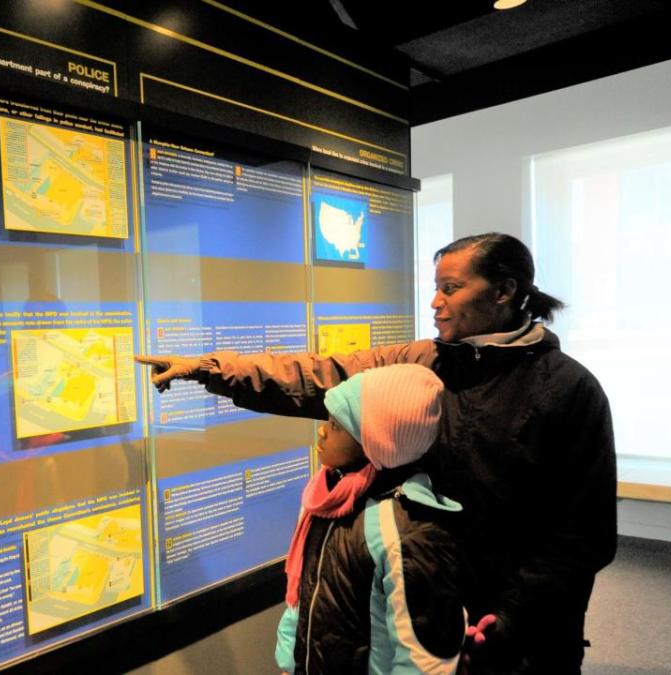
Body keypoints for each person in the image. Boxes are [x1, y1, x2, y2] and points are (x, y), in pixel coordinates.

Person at [138, 233, 617, 673]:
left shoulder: (568, 390)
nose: (435, 302)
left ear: (503, 292)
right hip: (429, 603)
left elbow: (582, 534)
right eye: (436, 287)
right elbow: (319, 374)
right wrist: (211, 369)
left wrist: (511, 618)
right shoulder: (422, 361)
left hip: (522, 632)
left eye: (450, 288)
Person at [275, 364, 465, 674]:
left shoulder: (407, 531)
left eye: (337, 425)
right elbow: (302, 593)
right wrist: (289, 662)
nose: (322, 430)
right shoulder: (326, 497)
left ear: (377, 441)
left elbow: (423, 658)